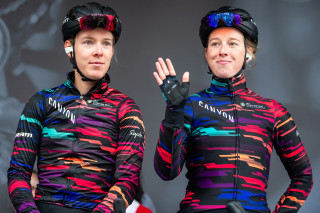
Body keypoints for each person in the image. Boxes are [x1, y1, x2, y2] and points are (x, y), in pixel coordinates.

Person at [153, 6, 313, 213]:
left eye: (233, 43)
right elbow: (166, 171)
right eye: (215, 43)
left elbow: (303, 176)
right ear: (206, 53)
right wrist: (174, 111)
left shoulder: (272, 111)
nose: (223, 50)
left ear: (249, 53)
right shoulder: (190, 106)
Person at [7, 2, 145, 213]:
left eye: (106, 43)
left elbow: (127, 183)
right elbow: (18, 173)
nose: (99, 52)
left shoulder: (126, 109)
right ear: (69, 47)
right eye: (89, 42)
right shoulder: (41, 102)